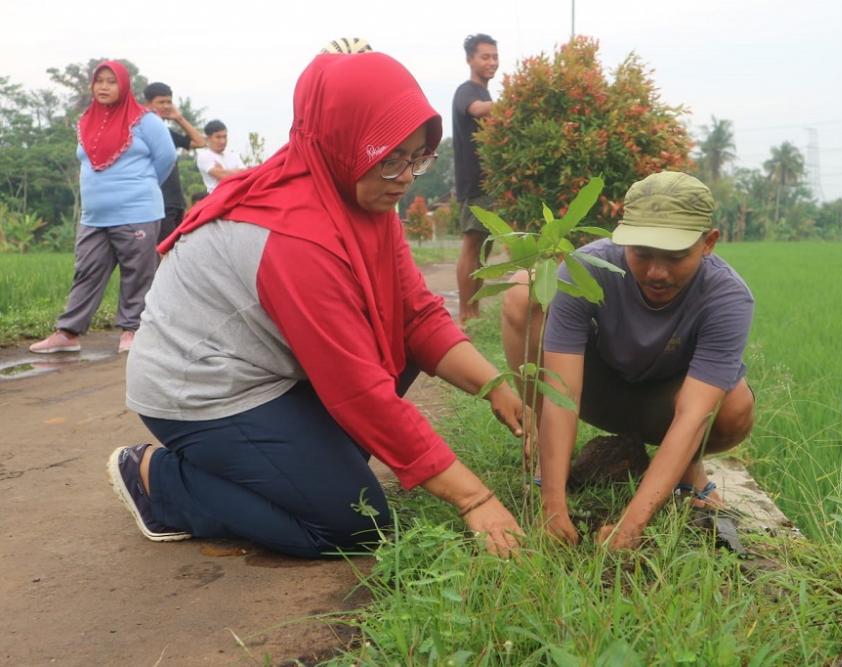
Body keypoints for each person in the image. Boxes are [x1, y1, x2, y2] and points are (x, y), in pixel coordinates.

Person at [109, 52, 526, 559]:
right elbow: (359, 391)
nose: (406, 178)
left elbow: (415, 315)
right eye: (389, 157)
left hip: (273, 373)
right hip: (204, 390)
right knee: (350, 527)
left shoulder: (363, 199)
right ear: (340, 141)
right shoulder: (294, 238)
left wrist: (495, 387)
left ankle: (300, 462)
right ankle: (160, 479)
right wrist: (474, 498)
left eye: (417, 157)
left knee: (391, 345)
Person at [501, 171, 756, 551]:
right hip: (596, 389)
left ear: (709, 243)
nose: (656, 272)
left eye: (675, 257)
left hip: (666, 405)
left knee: (736, 405)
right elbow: (561, 389)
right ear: (622, 237)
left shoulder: (727, 298)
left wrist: (632, 525)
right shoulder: (586, 268)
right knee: (524, 292)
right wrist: (553, 508)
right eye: (641, 253)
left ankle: (688, 468)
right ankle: (545, 450)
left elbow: (693, 414)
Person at [29, 61, 175, 355]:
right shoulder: (85, 120)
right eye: (100, 81)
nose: (104, 87)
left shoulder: (145, 121)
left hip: (137, 211)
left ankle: (132, 331)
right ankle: (68, 333)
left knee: (137, 274)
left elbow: (166, 158)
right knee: (86, 270)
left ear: (124, 86)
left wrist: (140, 187)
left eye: (112, 81)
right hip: (95, 215)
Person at [453, 33, 499, 325]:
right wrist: (513, 102)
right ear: (470, 59)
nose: (492, 62)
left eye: (495, 57)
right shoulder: (467, 91)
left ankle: (476, 311)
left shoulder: (486, 94)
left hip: (490, 184)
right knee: (472, 245)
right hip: (474, 183)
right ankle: (466, 313)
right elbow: (477, 111)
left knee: (485, 246)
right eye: (485, 56)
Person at [143, 82, 207, 243]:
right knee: (163, 252)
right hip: (158, 202)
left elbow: (200, 142)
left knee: (173, 251)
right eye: (161, 102)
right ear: (149, 104)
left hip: (175, 201)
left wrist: (179, 118)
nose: (166, 106)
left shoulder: (166, 133)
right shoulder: (142, 131)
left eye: (168, 102)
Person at [195, 120, 246, 193]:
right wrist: (235, 172)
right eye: (218, 137)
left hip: (237, 193)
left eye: (225, 137)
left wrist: (224, 171)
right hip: (218, 198)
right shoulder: (204, 156)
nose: (223, 141)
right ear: (208, 138)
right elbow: (224, 176)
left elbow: (245, 174)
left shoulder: (233, 155)